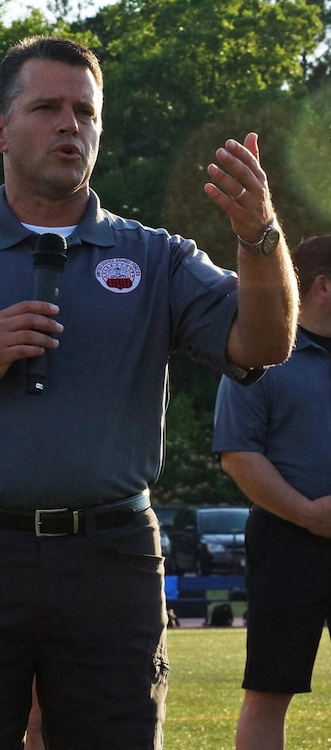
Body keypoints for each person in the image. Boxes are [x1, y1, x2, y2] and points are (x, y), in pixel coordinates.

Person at [0, 35, 297, 749]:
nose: (68, 125)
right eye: (46, 106)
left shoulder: (154, 257)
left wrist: (260, 239)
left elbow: (266, 343)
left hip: (111, 558)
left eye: (84, 111)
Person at [212, 235, 331, 750]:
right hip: (286, 544)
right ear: (324, 286)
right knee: (270, 689)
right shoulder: (261, 354)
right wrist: (308, 513)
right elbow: (239, 455)